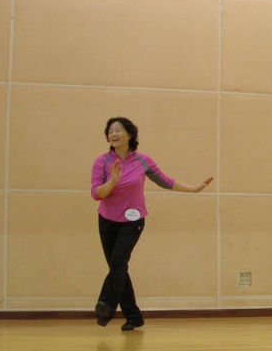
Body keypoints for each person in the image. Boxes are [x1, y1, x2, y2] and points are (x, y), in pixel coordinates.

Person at [91, 117, 213, 331]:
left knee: (118, 263)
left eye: (118, 130)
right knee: (118, 268)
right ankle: (134, 316)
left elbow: (165, 181)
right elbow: (96, 194)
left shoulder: (142, 160)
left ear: (130, 134)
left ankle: (106, 305)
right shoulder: (102, 162)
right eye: (110, 131)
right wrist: (112, 181)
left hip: (132, 220)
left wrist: (193, 189)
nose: (113, 134)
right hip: (107, 220)